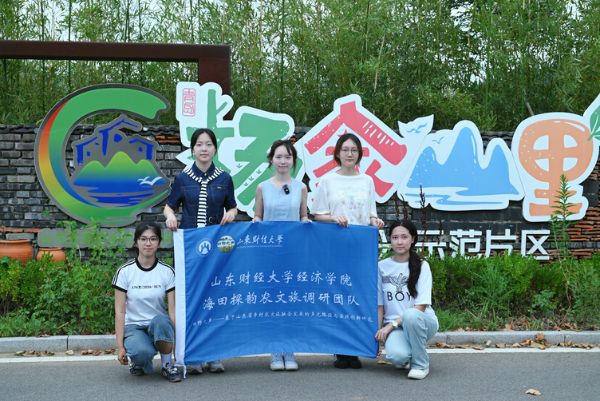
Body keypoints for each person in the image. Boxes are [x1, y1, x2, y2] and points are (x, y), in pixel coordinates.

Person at [163, 127, 237, 374]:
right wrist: (170, 216)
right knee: (192, 300)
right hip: (191, 250)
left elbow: (233, 207)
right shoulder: (183, 178)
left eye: (208, 144)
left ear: (215, 148)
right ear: (192, 149)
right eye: (199, 144)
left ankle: (214, 354)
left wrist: (231, 213)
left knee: (215, 299)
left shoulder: (224, 178)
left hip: (217, 249)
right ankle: (193, 355)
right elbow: (169, 206)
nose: (204, 149)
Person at [312, 132, 384, 369]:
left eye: (354, 150)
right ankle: (341, 350)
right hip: (335, 246)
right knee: (338, 295)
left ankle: (356, 348)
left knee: (358, 296)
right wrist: (334, 218)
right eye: (345, 150)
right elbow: (317, 215)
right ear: (337, 153)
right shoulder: (328, 181)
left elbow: (371, 214)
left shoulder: (367, 181)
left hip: (360, 247)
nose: (349, 154)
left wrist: (375, 221)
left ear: (359, 154)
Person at [253, 139, 310, 371]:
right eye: (279, 157)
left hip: (294, 252)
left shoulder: (301, 187)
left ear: (293, 160)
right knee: (273, 301)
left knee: (292, 301)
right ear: (271, 160)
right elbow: (258, 216)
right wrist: (255, 223)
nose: (283, 161)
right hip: (270, 253)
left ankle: (290, 350)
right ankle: (276, 352)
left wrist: (306, 222)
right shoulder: (262, 187)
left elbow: (303, 215)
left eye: (287, 157)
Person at [113, 222, 181, 382]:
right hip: (134, 327)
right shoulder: (124, 272)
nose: (148, 243)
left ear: (159, 242)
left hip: (158, 326)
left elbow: (173, 311)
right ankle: (139, 360)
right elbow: (120, 312)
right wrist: (120, 347)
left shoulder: (167, 272)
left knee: (162, 321)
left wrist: (178, 348)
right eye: (143, 239)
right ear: (136, 242)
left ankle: (167, 365)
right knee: (141, 352)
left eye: (153, 239)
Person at [374, 220, 438, 380]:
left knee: (410, 315)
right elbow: (380, 306)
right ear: (390, 239)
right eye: (395, 237)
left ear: (413, 239)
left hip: (422, 321)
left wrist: (389, 326)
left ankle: (420, 364)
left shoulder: (422, 266)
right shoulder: (381, 267)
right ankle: (407, 354)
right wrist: (377, 337)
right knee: (397, 357)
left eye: (404, 237)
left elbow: (421, 307)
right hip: (396, 328)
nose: (399, 242)